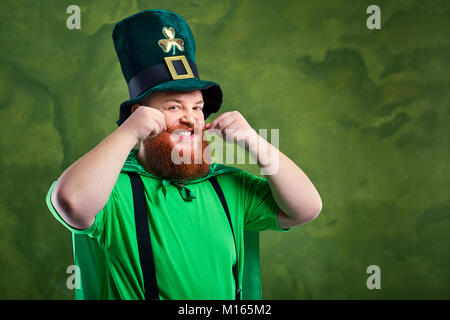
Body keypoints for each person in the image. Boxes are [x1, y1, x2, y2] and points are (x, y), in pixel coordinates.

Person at [45, 9, 322, 300]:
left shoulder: (226, 186)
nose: (191, 120)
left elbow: (305, 208)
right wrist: (126, 133)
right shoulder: (113, 190)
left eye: (198, 107)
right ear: (140, 117)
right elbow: (71, 202)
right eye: (174, 107)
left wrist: (255, 142)